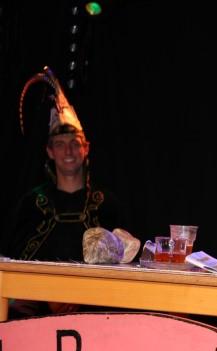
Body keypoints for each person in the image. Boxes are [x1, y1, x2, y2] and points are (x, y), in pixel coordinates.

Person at [2, 66, 129, 318]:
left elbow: (124, 271)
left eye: (74, 143)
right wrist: (46, 298)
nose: (68, 151)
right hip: (34, 320)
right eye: (60, 144)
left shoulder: (106, 204)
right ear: (49, 151)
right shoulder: (31, 205)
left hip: (96, 318)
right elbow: (12, 269)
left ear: (86, 148)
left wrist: (80, 297)